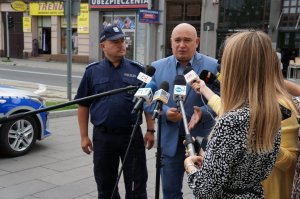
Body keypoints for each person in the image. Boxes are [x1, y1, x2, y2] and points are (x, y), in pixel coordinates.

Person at [184, 31, 283, 198]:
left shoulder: (231, 121)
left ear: (234, 70)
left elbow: (205, 190)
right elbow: (265, 169)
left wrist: (190, 167)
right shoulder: (272, 113)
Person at [75, 25, 155, 199]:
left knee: (136, 186)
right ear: (103, 46)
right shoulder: (92, 72)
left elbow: (148, 102)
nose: (122, 45)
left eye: (123, 41)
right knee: (105, 185)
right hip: (103, 137)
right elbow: (83, 105)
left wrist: (150, 130)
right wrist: (83, 136)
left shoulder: (139, 70)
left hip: (131, 136)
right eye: (115, 42)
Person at [145, 23, 219, 199]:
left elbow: (223, 99)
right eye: (177, 40)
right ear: (171, 42)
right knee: (170, 193)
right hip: (169, 142)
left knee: (204, 192)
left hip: (202, 140)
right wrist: (162, 110)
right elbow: (146, 99)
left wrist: (202, 111)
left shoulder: (213, 66)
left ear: (197, 42)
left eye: (187, 40)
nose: (182, 45)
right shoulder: (156, 67)